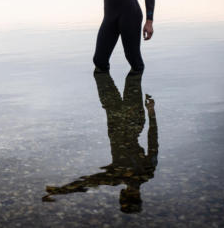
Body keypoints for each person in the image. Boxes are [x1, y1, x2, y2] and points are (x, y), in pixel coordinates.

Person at [42, 72, 158, 213]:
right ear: (124, 195)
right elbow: (88, 182)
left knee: (128, 73)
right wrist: (61, 190)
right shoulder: (128, 175)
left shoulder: (127, 176)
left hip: (128, 120)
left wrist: (151, 113)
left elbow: (88, 182)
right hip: (123, 121)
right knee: (127, 72)